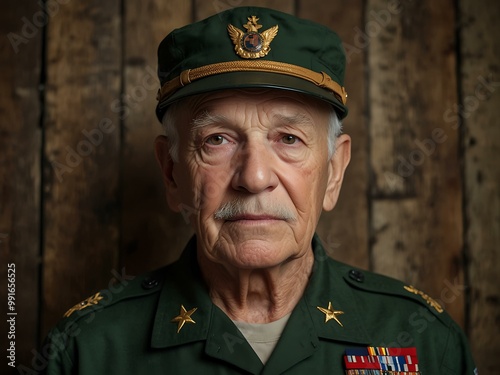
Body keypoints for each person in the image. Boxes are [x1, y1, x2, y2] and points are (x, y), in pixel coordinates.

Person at [40, 6, 477, 374]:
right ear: (172, 173)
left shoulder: (426, 342)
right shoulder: (86, 351)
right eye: (217, 140)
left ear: (335, 172)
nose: (254, 178)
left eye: (289, 138)